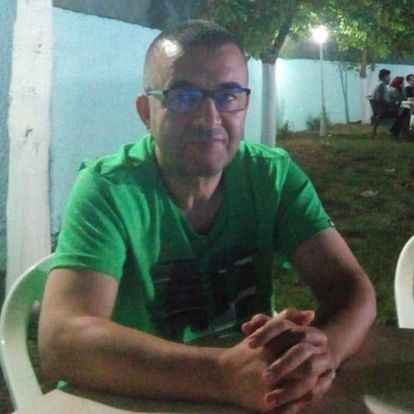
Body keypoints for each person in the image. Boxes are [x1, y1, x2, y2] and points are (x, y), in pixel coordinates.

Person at [38, 20, 376, 414]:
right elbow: (62, 340)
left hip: (251, 397)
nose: (209, 118)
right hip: (135, 400)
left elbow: (352, 289)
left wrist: (320, 354)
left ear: (245, 103)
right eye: (183, 97)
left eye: (228, 95)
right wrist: (222, 374)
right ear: (146, 111)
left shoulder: (272, 176)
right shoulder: (110, 188)